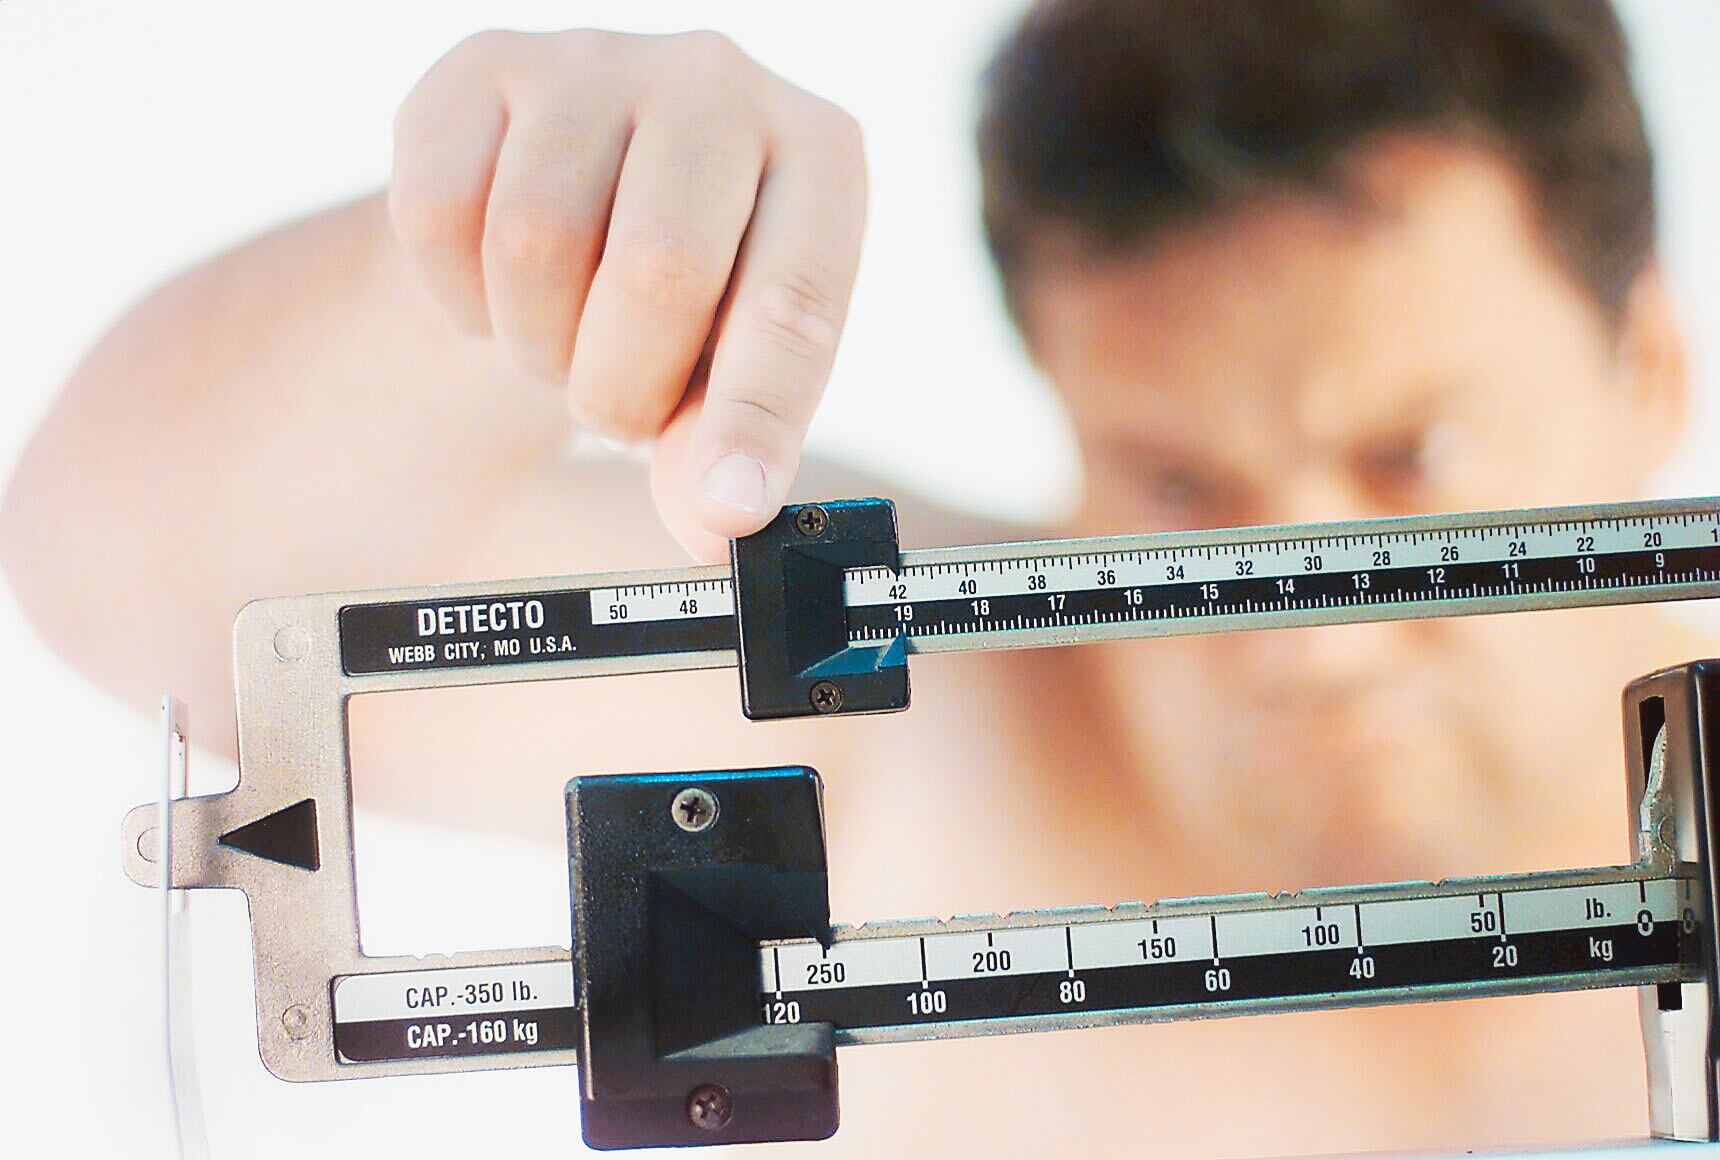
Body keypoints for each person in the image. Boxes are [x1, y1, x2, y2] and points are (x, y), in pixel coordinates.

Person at [0, 0, 1708, 1153]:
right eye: (1180, 484)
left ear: (1648, 370)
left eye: (1416, 460)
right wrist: (502, 253)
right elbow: (168, 604)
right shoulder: (909, 697)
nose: (1303, 630)